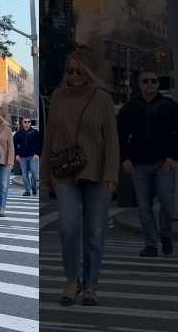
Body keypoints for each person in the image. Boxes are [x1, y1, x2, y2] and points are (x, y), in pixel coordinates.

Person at [41, 50, 120, 307]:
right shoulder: (58, 97)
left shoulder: (103, 99)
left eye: (78, 71)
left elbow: (111, 140)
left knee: (95, 233)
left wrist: (111, 174)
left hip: (97, 173)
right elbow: (49, 137)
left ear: (89, 72)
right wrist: (45, 176)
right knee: (68, 228)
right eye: (69, 71)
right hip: (64, 172)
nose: (73, 76)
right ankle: (72, 280)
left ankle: (91, 285)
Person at [117, 68, 178, 257]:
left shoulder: (169, 106)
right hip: (139, 165)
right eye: (145, 81)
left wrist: (173, 157)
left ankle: (166, 235)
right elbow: (120, 135)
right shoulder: (130, 107)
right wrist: (124, 159)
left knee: (167, 203)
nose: (150, 84)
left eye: (153, 81)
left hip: (164, 163)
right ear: (139, 84)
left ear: (158, 84)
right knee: (144, 207)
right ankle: (151, 244)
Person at [14, 117, 41, 196]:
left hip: (33, 156)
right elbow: (14, 145)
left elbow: (39, 144)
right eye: (25, 122)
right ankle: (27, 191)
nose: (27, 123)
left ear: (30, 123)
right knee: (24, 175)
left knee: (34, 173)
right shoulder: (18, 133)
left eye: (28, 122)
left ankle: (34, 187)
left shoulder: (35, 132)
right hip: (23, 157)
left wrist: (37, 154)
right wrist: (16, 155)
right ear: (22, 123)